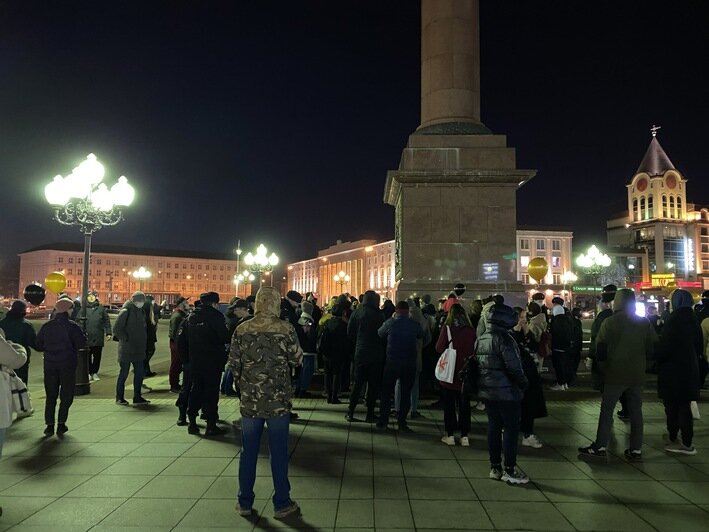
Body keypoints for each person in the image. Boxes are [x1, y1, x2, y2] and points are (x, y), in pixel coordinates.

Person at [230, 286, 302, 519]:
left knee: (248, 451)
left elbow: (233, 363)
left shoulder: (242, 329)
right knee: (278, 452)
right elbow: (297, 358)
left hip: (250, 402)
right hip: (278, 402)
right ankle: (282, 503)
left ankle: (244, 502)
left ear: (258, 302)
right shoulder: (286, 328)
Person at [578, 288, 656, 460]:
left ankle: (600, 445)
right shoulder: (644, 323)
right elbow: (652, 348)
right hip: (636, 375)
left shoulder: (610, 322)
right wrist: (645, 366)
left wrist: (604, 367)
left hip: (614, 374)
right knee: (636, 412)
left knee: (607, 411)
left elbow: (600, 348)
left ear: (617, 302)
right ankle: (635, 448)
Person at [476, 303, 529, 484]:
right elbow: (514, 368)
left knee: (493, 427)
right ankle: (510, 468)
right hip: (507, 391)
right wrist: (523, 384)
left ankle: (495, 466)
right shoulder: (505, 339)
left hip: (488, 390)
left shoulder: (482, 338)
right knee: (511, 429)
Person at [658, 289, 703, 455]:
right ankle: (686, 440)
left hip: (672, 370)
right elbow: (699, 345)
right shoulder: (693, 319)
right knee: (685, 406)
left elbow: (665, 348)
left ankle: (678, 439)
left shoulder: (673, 320)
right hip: (689, 369)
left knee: (672, 406)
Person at [36, 295, 86, 435]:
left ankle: (49, 425)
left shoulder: (47, 326)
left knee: (50, 395)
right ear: (68, 310)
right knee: (66, 395)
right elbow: (81, 344)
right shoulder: (73, 327)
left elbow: (38, 344)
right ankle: (61, 423)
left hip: (50, 365)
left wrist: (49, 349)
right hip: (68, 365)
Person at [186, 292, 231, 436]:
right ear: (215, 303)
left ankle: (192, 423)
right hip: (212, 360)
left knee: (195, 390)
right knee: (211, 392)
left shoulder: (192, 316)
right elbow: (224, 336)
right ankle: (211, 424)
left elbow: (183, 338)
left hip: (196, 360)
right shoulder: (216, 316)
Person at [376, 301, 423, 432]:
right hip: (409, 362)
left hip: (392, 362)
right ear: (408, 311)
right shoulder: (413, 324)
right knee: (405, 393)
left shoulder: (391, 322)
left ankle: (383, 421)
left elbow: (380, 333)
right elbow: (421, 334)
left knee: (386, 392)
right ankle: (402, 422)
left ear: (396, 310)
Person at [435, 303, 475, 446]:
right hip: (465, 373)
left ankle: (450, 434)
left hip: (450, 373)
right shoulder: (471, 331)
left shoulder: (447, 329)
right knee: (465, 405)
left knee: (449, 405)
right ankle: (465, 436)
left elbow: (439, 347)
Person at [346, 290, 385, 423]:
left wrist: (357, 342)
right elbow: (383, 335)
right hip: (376, 354)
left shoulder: (357, 313)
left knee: (357, 384)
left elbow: (350, 332)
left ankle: (350, 411)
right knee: (373, 385)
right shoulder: (379, 315)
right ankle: (370, 414)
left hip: (361, 352)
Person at [511, 307, 547, 449]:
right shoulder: (510, 334)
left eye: (525, 317)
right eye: (521, 317)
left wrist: (527, 332)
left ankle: (528, 433)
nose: (524, 320)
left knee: (529, 404)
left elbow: (534, 347)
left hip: (530, 373)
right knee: (515, 405)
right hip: (516, 374)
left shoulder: (526, 332)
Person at [395, 298, 431, 419]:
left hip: (399, 355)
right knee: (414, 384)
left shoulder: (397, 318)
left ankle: (398, 408)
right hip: (416, 356)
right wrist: (420, 346)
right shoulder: (421, 319)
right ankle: (413, 409)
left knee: (399, 383)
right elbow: (428, 338)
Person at [113, 291, 150, 406]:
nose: (142, 303)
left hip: (138, 349)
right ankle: (119, 397)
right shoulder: (126, 311)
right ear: (134, 300)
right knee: (123, 373)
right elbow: (117, 328)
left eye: (143, 301)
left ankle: (137, 396)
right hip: (127, 349)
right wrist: (126, 339)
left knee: (139, 373)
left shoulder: (140, 311)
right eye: (140, 300)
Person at [318, 301, 353, 404]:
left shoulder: (327, 323)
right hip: (338, 353)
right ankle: (334, 396)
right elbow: (347, 339)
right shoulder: (343, 324)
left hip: (326, 352)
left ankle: (328, 395)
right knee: (336, 374)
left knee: (327, 373)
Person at [587, 284, 616, 393]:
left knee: (607, 396)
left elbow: (596, 338)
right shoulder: (627, 316)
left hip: (604, 360)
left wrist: (591, 356)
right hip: (623, 363)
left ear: (604, 303)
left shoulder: (603, 316)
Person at [0, 300, 37, 385]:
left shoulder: (2, 323)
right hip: (21, 360)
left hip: (3, 361)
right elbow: (34, 343)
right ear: (23, 310)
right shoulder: (26, 325)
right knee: (20, 387)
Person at [83, 291, 112, 381]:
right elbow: (79, 321)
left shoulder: (101, 309)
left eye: (93, 296)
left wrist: (108, 332)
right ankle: (88, 372)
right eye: (89, 296)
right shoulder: (83, 309)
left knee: (97, 356)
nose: (91, 298)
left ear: (96, 298)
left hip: (98, 336)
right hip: (86, 337)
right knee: (87, 357)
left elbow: (106, 321)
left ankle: (94, 372)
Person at [295, 300, 318, 398]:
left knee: (302, 371)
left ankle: (299, 389)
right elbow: (309, 335)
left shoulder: (301, 319)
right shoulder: (308, 321)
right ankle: (302, 390)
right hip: (308, 350)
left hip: (303, 349)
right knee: (307, 371)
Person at [549, 297, 572, 390]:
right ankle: (565, 383)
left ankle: (560, 383)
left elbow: (555, 334)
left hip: (558, 346)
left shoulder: (557, 321)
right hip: (566, 347)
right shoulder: (567, 320)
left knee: (559, 366)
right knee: (565, 365)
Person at [169, 296, 190, 393]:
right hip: (176, 343)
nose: (188, 304)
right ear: (181, 304)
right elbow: (174, 332)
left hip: (179, 342)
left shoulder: (181, 314)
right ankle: (174, 385)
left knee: (178, 363)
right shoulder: (177, 316)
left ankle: (176, 384)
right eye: (186, 302)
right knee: (176, 364)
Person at [143, 295, 159, 378]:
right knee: (149, 352)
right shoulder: (147, 316)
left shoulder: (149, 314)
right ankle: (143, 369)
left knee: (148, 353)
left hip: (150, 337)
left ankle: (146, 370)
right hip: (148, 338)